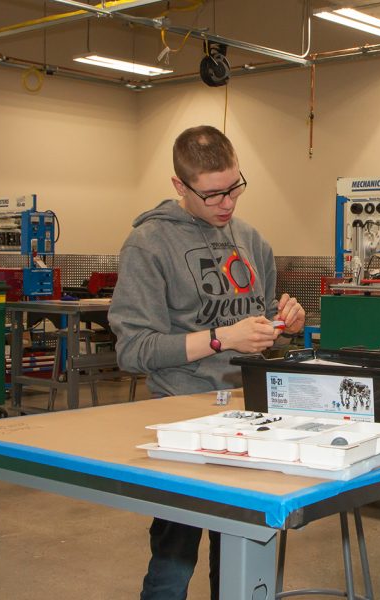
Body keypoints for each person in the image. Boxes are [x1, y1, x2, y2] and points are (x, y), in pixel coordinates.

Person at [109, 125, 306, 600]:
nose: (227, 204)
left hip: (249, 413)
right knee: (175, 556)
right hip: (181, 417)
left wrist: (284, 323)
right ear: (180, 186)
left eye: (235, 188)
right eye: (213, 194)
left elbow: (255, 329)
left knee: (242, 549)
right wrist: (221, 339)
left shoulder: (251, 241)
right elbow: (133, 350)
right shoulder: (149, 244)